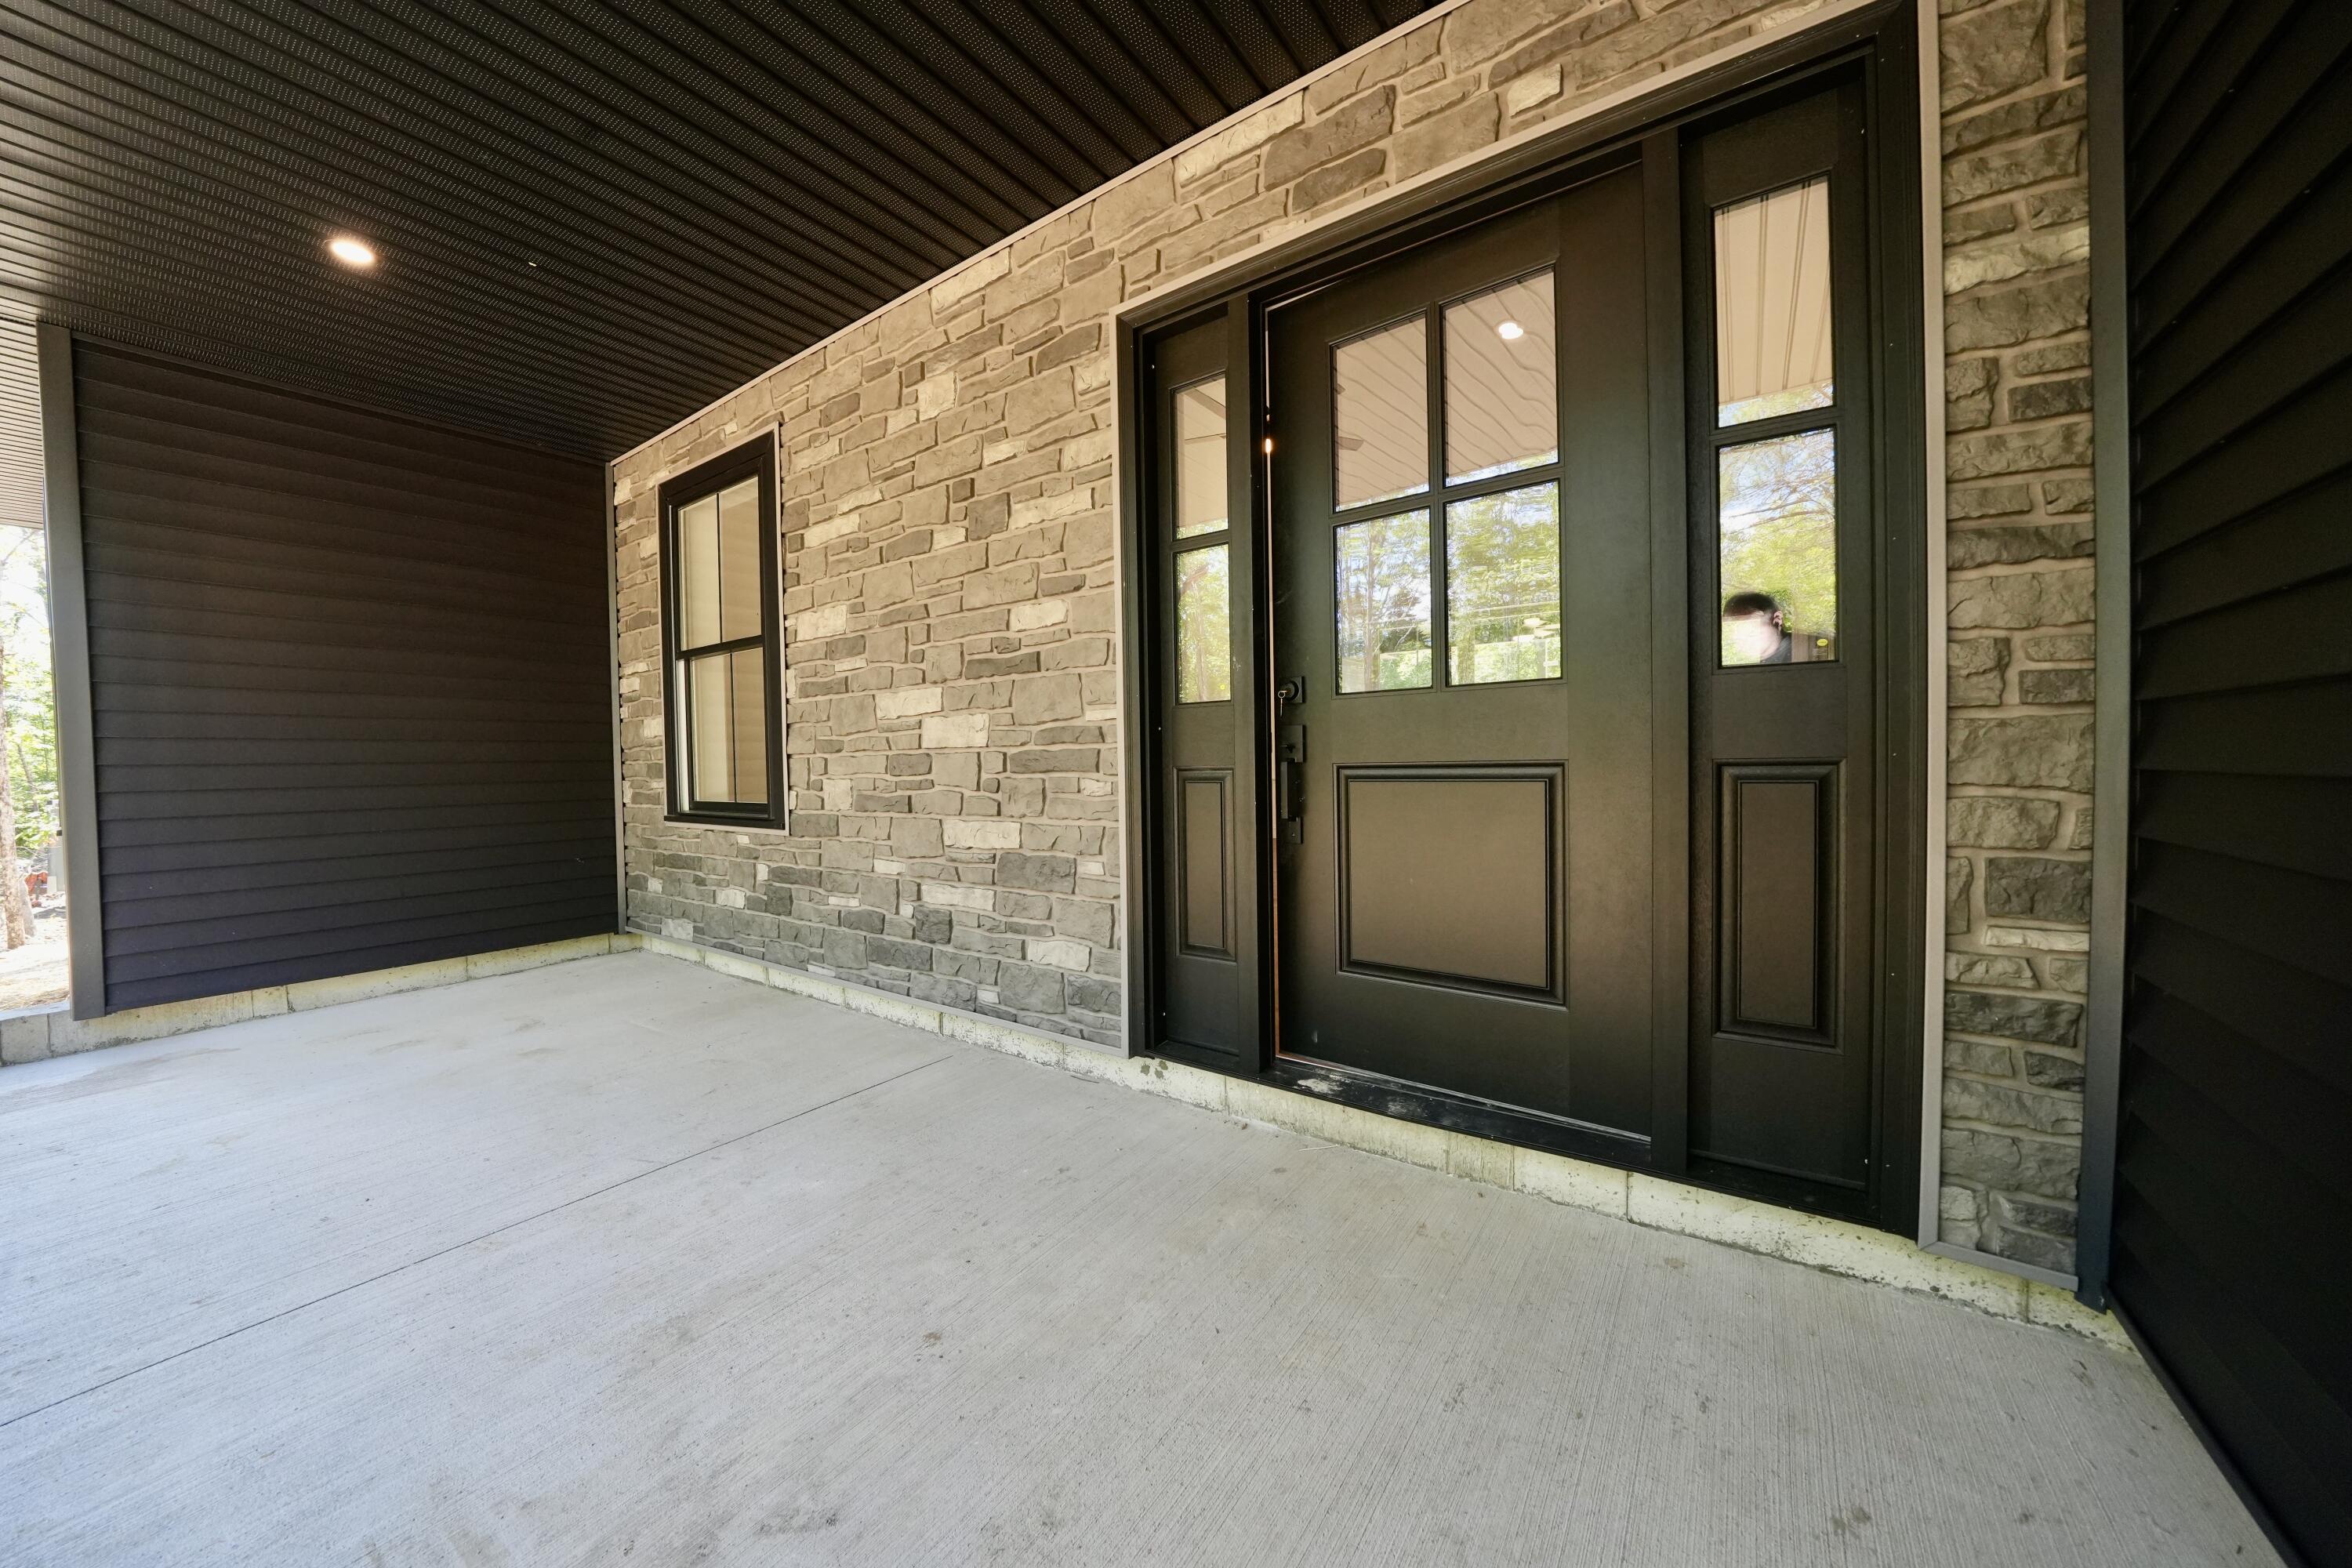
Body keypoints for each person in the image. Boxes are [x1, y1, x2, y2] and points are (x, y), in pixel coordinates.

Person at [1722, 590, 1835, 665]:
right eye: (1737, 637)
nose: (1744, 642)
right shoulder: (1740, 665)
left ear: (1777, 620)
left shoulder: (1818, 651)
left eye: (1751, 632)